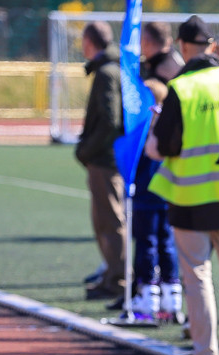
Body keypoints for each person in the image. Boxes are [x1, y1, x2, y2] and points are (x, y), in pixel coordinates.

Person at [146, 15, 219, 355]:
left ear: (181, 46)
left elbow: (163, 146)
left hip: (189, 196)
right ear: (212, 46)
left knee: (196, 276)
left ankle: (204, 353)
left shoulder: (181, 87)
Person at [119, 78, 182, 324]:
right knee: (166, 243)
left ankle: (149, 293)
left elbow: (137, 160)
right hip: (166, 194)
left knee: (148, 242)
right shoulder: (169, 125)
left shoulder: (145, 128)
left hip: (148, 194)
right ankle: (170, 292)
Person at [76, 21, 126, 304]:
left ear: (89, 42)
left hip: (106, 160)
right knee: (104, 221)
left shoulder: (107, 73)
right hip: (106, 157)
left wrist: (86, 150)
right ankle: (111, 275)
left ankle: (118, 279)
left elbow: (110, 121)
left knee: (110, 221)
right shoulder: (111, 69)